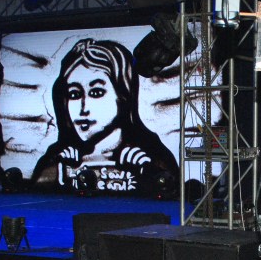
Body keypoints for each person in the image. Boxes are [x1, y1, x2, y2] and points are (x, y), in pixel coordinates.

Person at [30, 38, 178, 194]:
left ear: (123, 94)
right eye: (74, 94)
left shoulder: (152, 153)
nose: (83, 108)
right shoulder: (57, 158)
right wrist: (57, 170)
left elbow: (171, 190)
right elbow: (37, 191)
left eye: (96, 93)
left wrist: (147, 170)